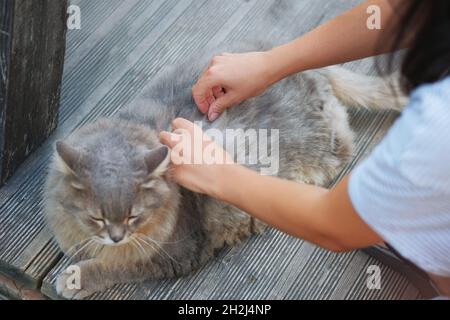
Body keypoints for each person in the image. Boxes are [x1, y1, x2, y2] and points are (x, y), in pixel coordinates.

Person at [160, 0, 450, 297]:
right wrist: (270, 63)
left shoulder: (435, 131)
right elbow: (402, 11)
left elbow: (333, 224)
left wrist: (218, 174)